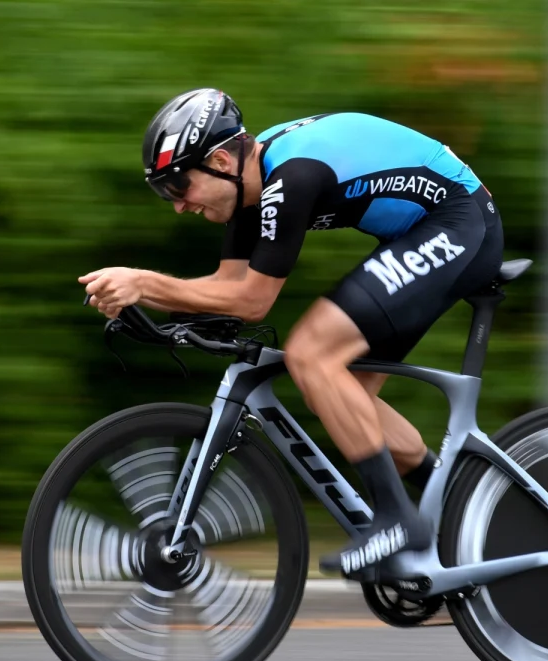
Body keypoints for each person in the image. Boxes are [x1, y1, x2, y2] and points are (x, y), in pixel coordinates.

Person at [80, 88, 504, 578]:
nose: (178, 206)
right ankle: (467, 518)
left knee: (311, 354)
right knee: (352, 402)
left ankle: (395, 521)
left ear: (219, 160)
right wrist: (155, 313)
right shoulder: (247, 185)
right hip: (427, 230)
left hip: (459, 222)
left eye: (179, 187)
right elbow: (225, 287)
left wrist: (145, 283)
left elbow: (253, 301)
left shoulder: (291, 178)